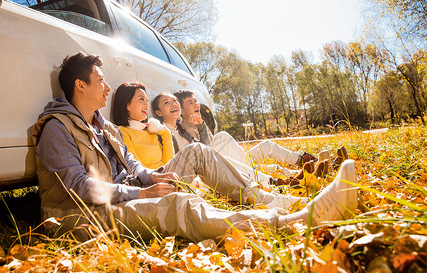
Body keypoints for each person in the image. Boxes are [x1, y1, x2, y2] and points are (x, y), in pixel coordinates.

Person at [32, 52, 358, 243]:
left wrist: (152, 179)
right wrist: (140, 194)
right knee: (180, 203)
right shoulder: (57, 129)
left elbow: (135, 167)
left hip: (126, 191)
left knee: (198, 153)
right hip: (83, 216)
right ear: (80, 85)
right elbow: (77, 187)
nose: (106, 87)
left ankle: (280, 200)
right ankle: (296, 221)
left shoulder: (105, 128)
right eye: (100, 80)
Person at [154, 92, 331, 187]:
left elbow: (208, 148)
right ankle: (285, 178)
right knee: (224, 139)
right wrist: (199, 127)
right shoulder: (178, 130)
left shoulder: (192, 126)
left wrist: (201, 126)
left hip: (229, 161)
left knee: (266, 146)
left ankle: (304, 162)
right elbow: (204, 153)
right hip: (216, 167)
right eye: (190, 103)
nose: (197, 105)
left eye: (196, 101)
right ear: (181, 112)